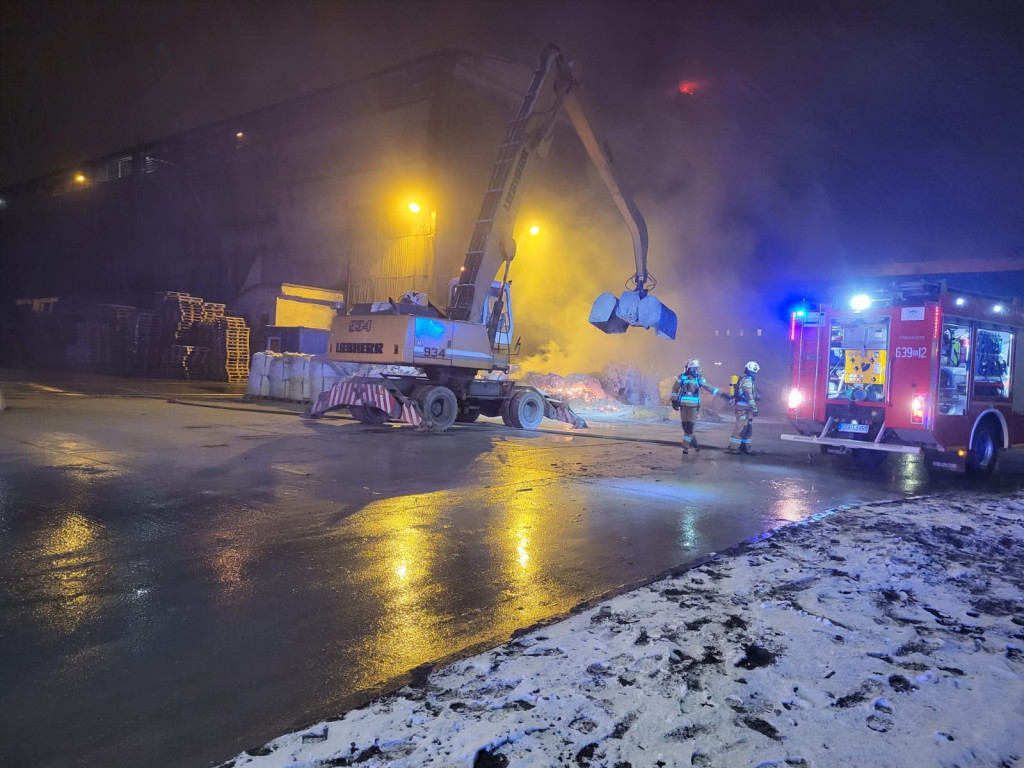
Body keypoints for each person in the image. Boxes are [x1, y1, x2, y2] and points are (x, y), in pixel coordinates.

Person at [670, 358, 721, 454]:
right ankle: (693, 442)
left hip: (693, 406)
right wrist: (674, 401)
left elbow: (708, 387)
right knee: (685, 426)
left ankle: (685, 447)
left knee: (689, 426)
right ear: (689, 368)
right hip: (683, 405)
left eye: (696, 368)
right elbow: (675, 388)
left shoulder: (699, 378)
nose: (695, 370)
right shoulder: (682, 377)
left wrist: (721, 393)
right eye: (694, 368)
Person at [726, 361, 761, 454]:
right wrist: (754, 408)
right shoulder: (747, 380)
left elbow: (751, 394)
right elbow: (749, 395)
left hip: (746, 408)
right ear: (750, 371)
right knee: (740, 428)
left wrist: (756, 395)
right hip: (742, 408)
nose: (755, 374)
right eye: (754, 372)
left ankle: (746, 447)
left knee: (748, 429)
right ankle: (734, 448)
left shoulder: (747, 379)